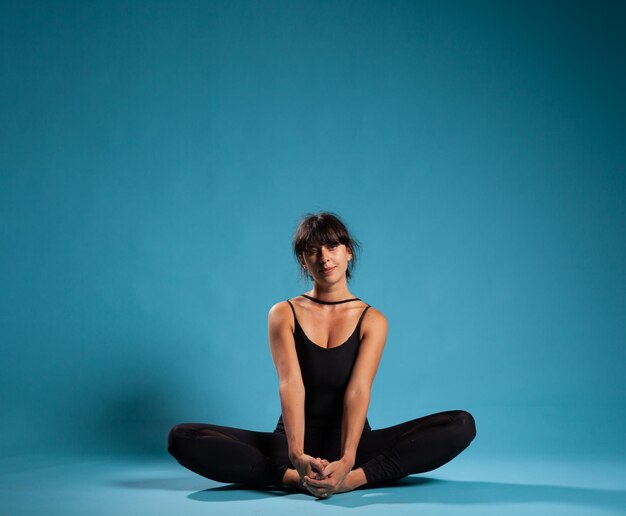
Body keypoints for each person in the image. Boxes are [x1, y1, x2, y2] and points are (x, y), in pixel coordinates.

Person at [168, 211, 476, 498]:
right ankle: (293, 478)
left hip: (354, 447)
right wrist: (296, 455)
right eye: (313, 250)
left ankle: (354, 479)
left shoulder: (372, 319)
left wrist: (348, 461)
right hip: (290, 445)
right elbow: (291, 384)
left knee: (460, 424)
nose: (324, 257)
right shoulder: (283, 313)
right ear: (304, 260)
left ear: (348, 251)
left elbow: (358, 390)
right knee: (182, 437)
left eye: (332, 246)